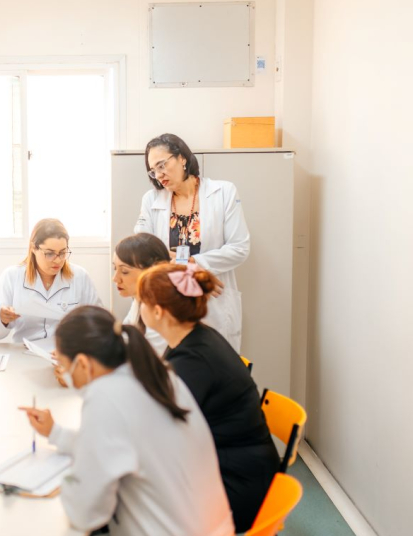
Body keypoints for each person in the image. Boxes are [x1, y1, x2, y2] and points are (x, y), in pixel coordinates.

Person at [20, 306, 234, 536]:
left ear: (82, 363)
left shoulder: (105, 396)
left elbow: (86, 514)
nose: (64, 373)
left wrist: (74, 478)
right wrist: (57, 433)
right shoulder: (156, 374)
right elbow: (119, 444)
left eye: (63, 365)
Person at [137, 263, 278, 532]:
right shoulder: (197, 338)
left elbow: (162, 427)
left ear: (157, 311)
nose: (139, 308)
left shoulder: (194, 359)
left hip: (236, 483)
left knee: (131, 496)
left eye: (141, 301)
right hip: (233, 463)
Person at [135, 133, 250, 352]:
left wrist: (190, 262)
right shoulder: (151, 200)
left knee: (213, 369)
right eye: (153, 170)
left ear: (182, 158)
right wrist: (191, 266)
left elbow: (239, 248)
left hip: (211, 302)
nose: (159, 175)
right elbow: (142, 250)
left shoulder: (223, 192)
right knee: (169, 374)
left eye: (162, 165)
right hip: (167, 302)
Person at [0, 218, 101, 343]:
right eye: (50, 254)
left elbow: (99, 322)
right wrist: (2, 319)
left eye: (62, 253)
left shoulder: (80, 276)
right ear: (33, 248)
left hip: (67, 353)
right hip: (24, 352)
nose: (57, 260)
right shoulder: (12, 276)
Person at [112, 233, 170, 355]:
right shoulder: (138, 300)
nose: (115, 278)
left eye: (124, 271)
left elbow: (144, 359)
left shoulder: (161, 311)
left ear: (151, 271)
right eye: (115, 269)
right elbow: (122, 338)